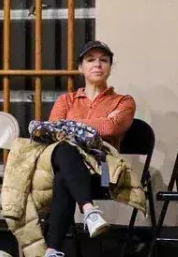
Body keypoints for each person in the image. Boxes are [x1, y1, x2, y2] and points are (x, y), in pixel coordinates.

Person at [39, 40, 136, 257]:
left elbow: (111, 127)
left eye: (103, 60)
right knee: (64, 149)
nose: (97, 65)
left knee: (63, 174)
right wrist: (100, 123)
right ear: (80, 67)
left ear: (110, 66)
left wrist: (70, 125)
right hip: (68, 166)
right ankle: (90, 212)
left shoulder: (124, 101)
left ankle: (52, 250)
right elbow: (53, 132)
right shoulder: (66, 100)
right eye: (90, 60)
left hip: (104, 172)